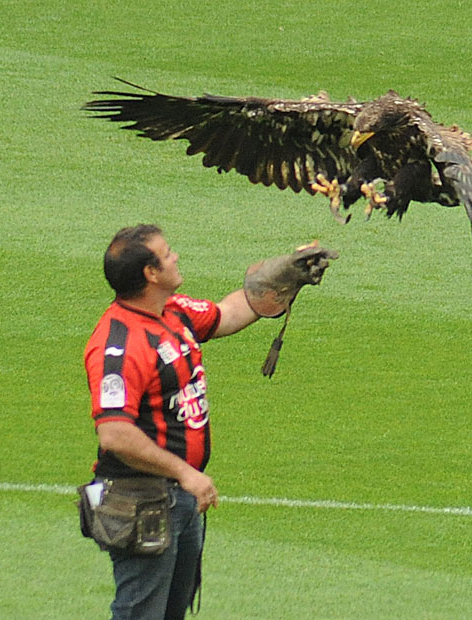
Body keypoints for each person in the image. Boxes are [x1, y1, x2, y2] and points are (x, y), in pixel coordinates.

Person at [82, 224, 336, 620]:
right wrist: (186, 474)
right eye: (167, 254)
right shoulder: (120, 344)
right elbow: (114, 434)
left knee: (171, 612)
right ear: (150, 273)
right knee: (140, 613)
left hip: (178, 496)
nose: (176, 257)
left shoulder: (174, 312)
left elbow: (227, 314)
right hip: (141, 498)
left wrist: (287, 274)